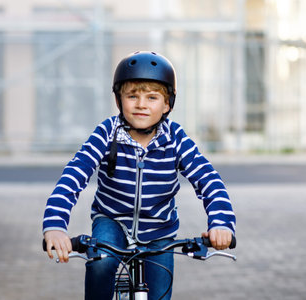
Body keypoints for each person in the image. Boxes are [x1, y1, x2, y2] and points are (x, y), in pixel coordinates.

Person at [43, 51, 236, 300]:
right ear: (119, 100)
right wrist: (55, 226)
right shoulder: (106, 133)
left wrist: (221, 224)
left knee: (159, 294)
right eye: (132, 96)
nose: (141, 104)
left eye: (152, 97)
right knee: (101, 263)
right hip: (111, 222)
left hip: (160, 231)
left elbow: (209, 180)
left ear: (167, 104)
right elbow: (73, 176)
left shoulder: (175, 139)